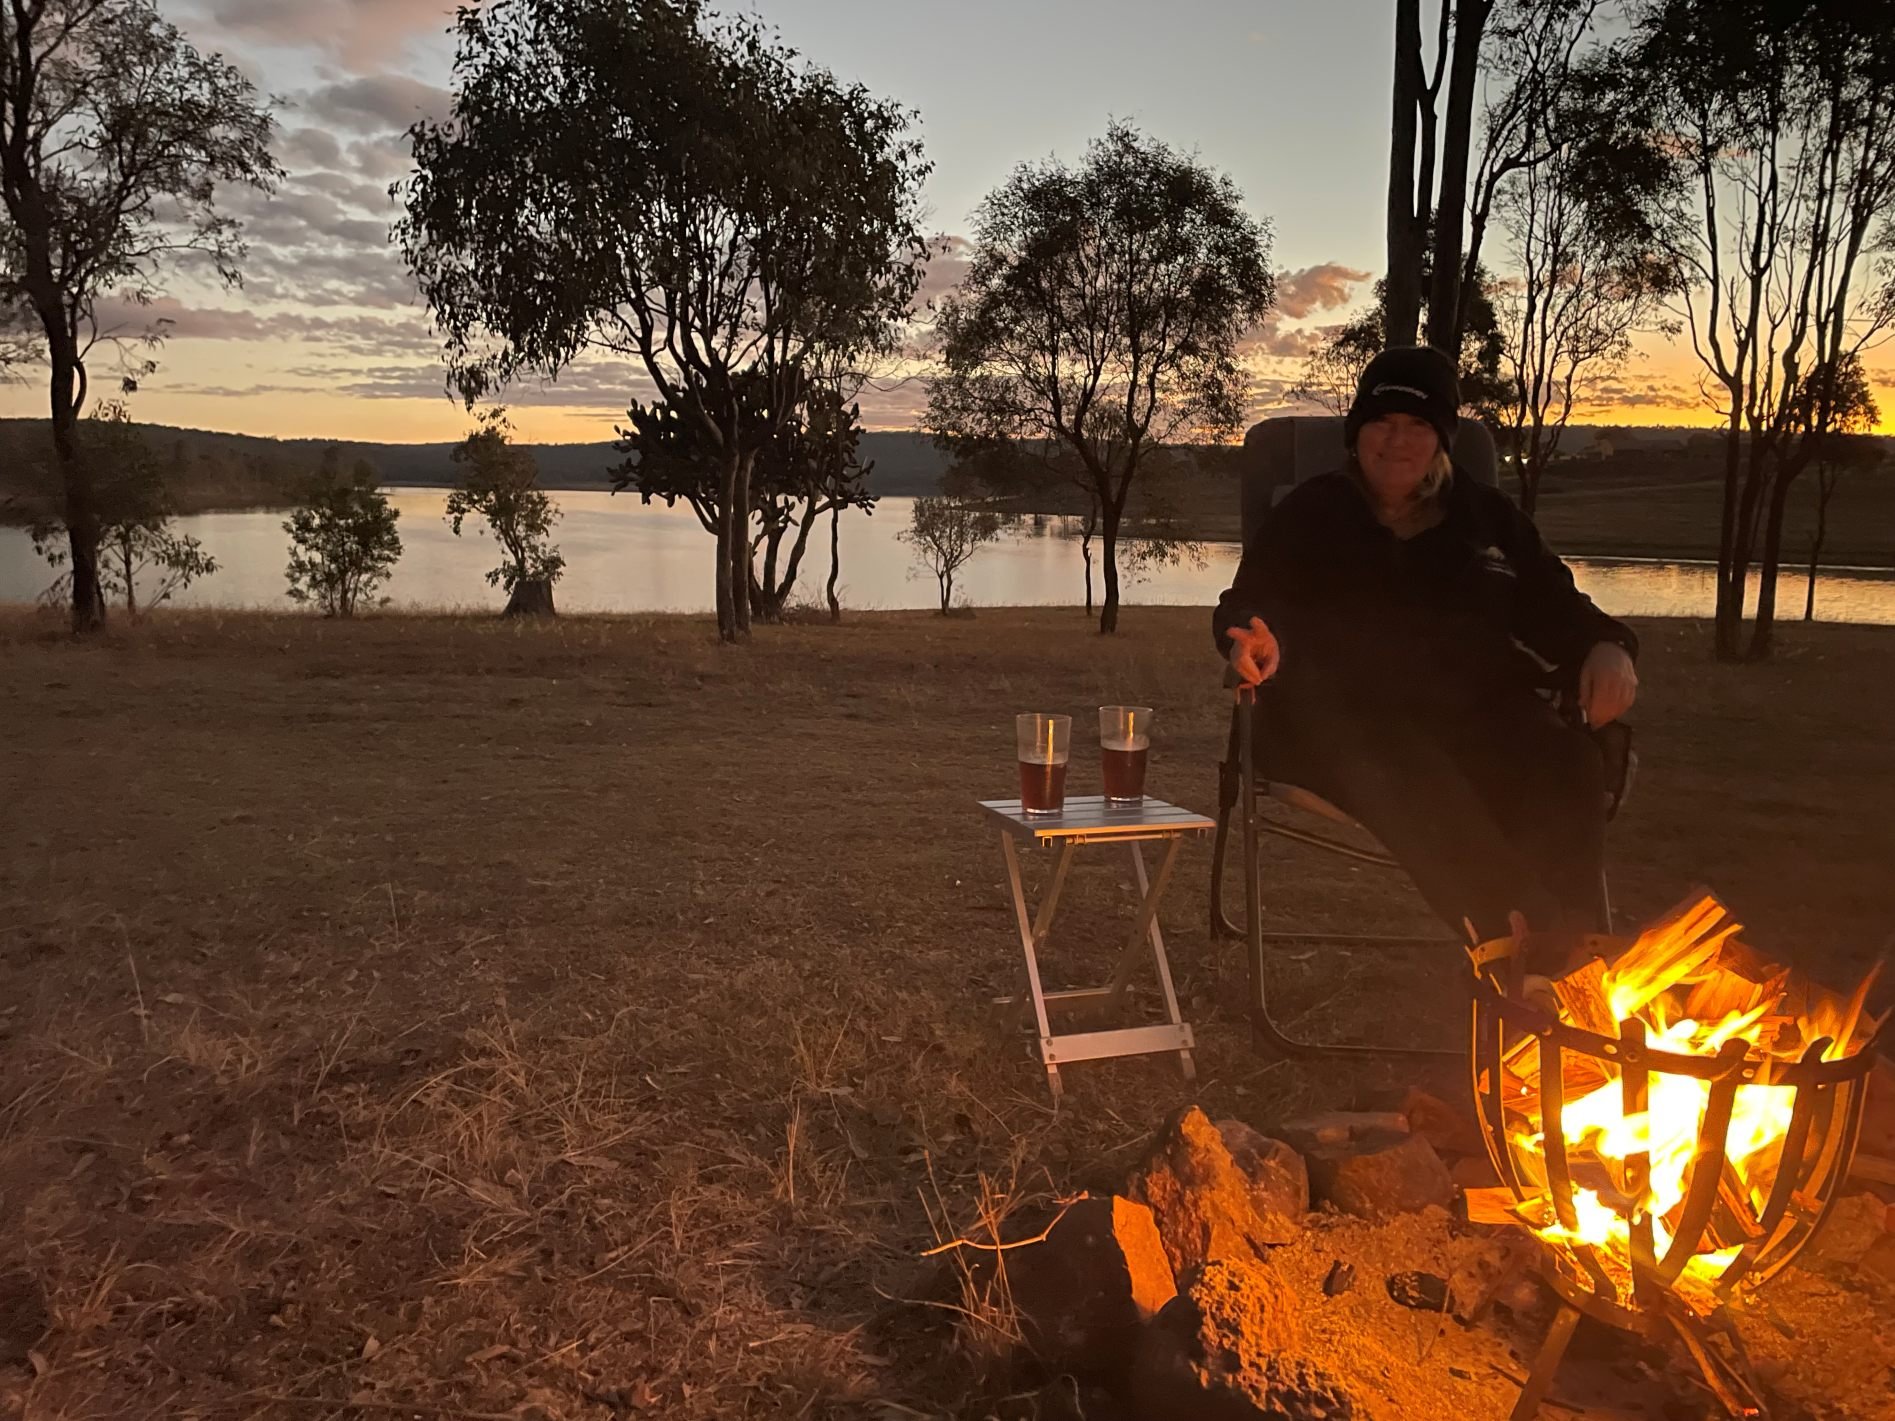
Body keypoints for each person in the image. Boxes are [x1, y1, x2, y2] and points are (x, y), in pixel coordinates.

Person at [1212, 345, 1638, 943]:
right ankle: (1531, 952)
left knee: (1565, 758)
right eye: (1382, 422)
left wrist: (1608, 645)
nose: (1397, 440)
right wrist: (1252, 635)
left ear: (1443, 438)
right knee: (1416, 772)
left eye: (1418, 425)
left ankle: (1577, 941)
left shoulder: (1485, 518)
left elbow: (1559, 609)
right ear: (1357, 433)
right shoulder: (1313, 512)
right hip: (1341, 721)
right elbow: (1249, 602)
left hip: (1476, 716)